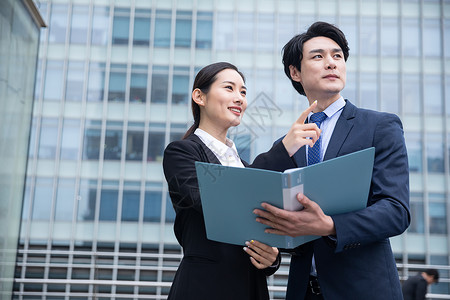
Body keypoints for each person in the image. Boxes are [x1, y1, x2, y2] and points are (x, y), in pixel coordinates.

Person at [253, 21, 411, 299]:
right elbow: (269, 210)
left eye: (337, 56)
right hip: (303, 291)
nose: (331, 63)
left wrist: (330, 226)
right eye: (318, 56)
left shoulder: (379, 126)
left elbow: (396, 211)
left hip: (363, 290)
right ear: (295, 72)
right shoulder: (287, 144)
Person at [163, 62, 321, 300]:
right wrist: (283, 149)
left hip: (251, 288)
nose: (239, 98)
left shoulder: (245, 167)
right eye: (229, 88)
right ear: (199, 96)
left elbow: (267, 225)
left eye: (243, 92)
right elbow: (210, 200)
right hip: (204, 287)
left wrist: (271, 257)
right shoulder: (182, 153)